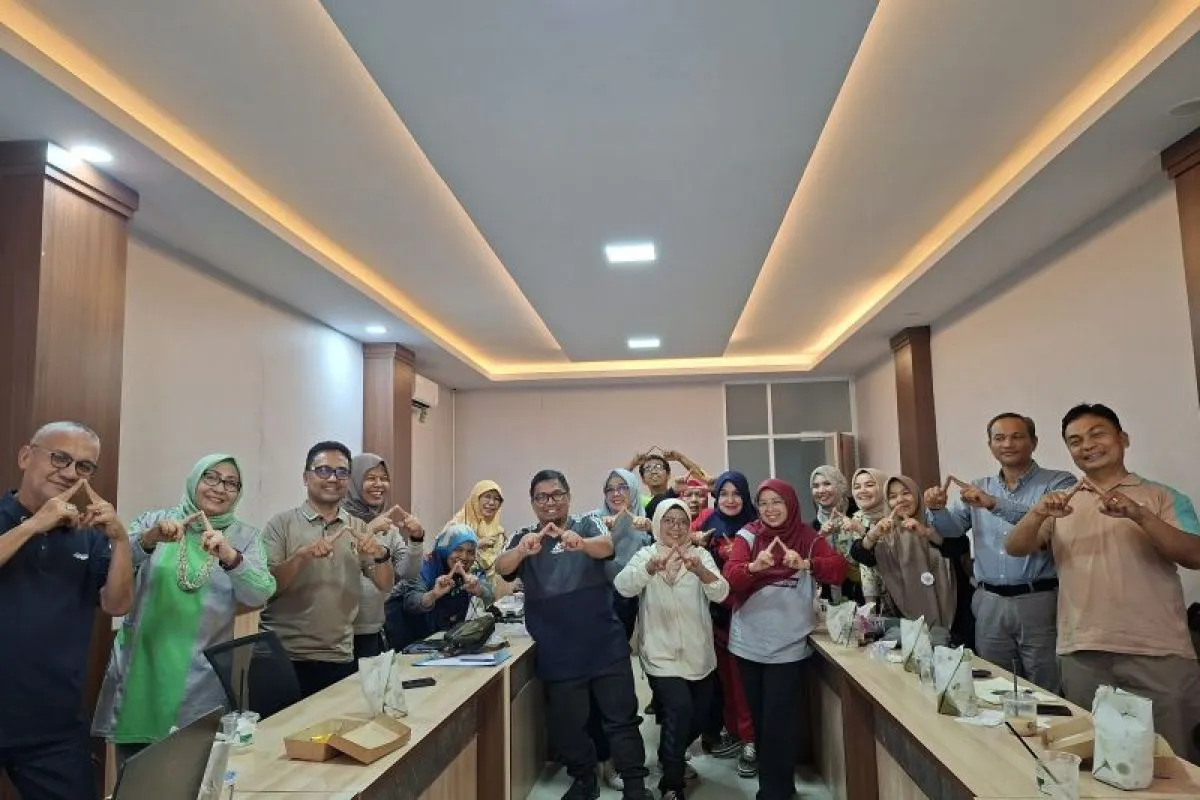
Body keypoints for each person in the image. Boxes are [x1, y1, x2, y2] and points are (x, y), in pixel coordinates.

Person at [1005, 404, 1200, 760]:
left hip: (1159, 651)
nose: (1087, 445)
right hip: (1082, 651)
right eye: (1075, 441)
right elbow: (1015, 547)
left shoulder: (1160, 496)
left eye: (1097, 434)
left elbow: (1194, 555)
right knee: (1097, 761)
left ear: (1123, 438)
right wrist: (1036, 513)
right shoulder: (1063, 502)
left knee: (1173, 764)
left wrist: (1140, 515)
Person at [94, 454, 276, 766]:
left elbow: (260, 593)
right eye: (211, 477)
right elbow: (115, 567)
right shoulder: (154, 521)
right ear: (194, 480)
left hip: (201, 676)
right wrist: (150, 539)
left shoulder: (245, 537)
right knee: (136, 774)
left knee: (191, 774)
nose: (220, 488)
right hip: (143, 668)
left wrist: (230, 557)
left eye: (231, 483)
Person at [495, 470, 650, 800]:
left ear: (568, 497)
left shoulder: (587, 524)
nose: (550, 502)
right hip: (557, 650)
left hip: (604, 644)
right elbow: (502, 567)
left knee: (621, 720)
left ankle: (636, 787)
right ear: (533, 503)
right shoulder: (525, 536)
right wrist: (521, 551)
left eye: (556, 495)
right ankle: (584, 781)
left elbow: (607, 546)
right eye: (541, 497)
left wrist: (579, 543)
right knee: (567, 726)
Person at [0, 421, 133, 800]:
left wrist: (120, 540)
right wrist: (34, 525)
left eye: (83, 466)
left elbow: (117, 603)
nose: (70, 473)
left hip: (53, 723)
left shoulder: (87, 535)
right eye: (59, 458)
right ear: (26, 456)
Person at [923, 413, 1074, 690]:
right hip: (989, 600)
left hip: (1038, 598)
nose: (1008, 444)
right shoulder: (980, 485)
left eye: (1017, 436)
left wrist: (994, 504)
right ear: (990, 445)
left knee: (1046, 687)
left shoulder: (1058, 482)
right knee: (995, 685)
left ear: (1034, 442)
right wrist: (937, 509)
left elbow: (1050, 520)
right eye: (999, 438)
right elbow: (952, 530)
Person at [724, 479, 846, 800]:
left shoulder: (807, 537)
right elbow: (730, 577)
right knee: (761, 721)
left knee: (779, 721)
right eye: (763, 503)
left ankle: (774, 792)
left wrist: (807, 564)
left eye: (776, 501)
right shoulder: (748, 535)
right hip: (748, 643)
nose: (770, 509)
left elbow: (838, 569)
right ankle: (777, 785)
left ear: (790, 504)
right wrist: (754, 567)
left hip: (788, 646)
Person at [614, 499, 729, 800]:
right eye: (668, 520)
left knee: (699, 717)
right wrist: (649, 569)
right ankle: (672, 784)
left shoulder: (700, 555)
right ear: (657, 524)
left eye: (682, 521)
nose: (676, 527)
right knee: (679, 709)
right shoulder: (646, 554)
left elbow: (721, 593)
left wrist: (701, 572)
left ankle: (669, 755)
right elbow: (623, 586)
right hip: (659, 653)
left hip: (699, 654)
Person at [261, 441, 394, 698]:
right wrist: (302, 556)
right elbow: (267, 588)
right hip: (284, 655)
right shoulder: (281, 524)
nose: (333, 478)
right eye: (323, 470)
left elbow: (385, 584)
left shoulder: (357, 527)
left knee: (334, 723)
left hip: (339, 654)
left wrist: (380, 555)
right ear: (306, 477)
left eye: (341, 472)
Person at [690, 471, 758, 773]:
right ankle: (734, 732)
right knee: (725, 681)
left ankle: (751, 740)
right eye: (724, 494)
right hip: (715, 616)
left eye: (736, 494)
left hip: (749, 614)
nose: (730, 500)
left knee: (744, 683)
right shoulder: (705, 526)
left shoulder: (757, 526)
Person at [343, 453, 424, 660]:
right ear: (354, 481)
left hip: (373, 628)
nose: (379, 484)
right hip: (339, 632)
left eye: (384, 478)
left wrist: (416, 538)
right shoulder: (339, 521)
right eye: (371, 478)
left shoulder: (388, 527)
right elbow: (335, 564)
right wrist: (369, 529)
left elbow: (408, 573)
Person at [850, 476, 957, 632]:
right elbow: (860, 554)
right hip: (907, 622)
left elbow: (957, 547)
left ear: (916, 495)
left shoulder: (936, 523)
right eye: (893, 496)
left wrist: (927, 533)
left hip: (952, 617)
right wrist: (873, 534)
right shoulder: (888, 534)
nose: (900, 500)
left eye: (906, 493)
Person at [394, 524, 493, 640]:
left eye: (470, 552)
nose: (464, 557)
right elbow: (411, 603)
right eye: (458, 550)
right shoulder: (426, 566)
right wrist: (433, 595)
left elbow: (490, 596)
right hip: (416, 637)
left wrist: (480, 590)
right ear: (446, 549)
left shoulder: (473, 568)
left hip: (450, 636)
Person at [809, 465, 863, 604]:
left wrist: (857, 528)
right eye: (816, 486)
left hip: (863, 594)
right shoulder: (815, 525)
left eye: (827, 483)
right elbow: (810, 562)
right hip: (831, 599)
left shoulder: (858, 511)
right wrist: (821, 535)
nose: (821, 490)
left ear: (839, 484)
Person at [845, 468, 891, 612]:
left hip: (899, 592)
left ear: (883, 487)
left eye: (869, 485)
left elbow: (887, 556)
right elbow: (863, 559)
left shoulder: (894, 516)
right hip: (870, 597)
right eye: (857, 487)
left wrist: (862, 531)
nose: (862, 491)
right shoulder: (857, 518)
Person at [450, 479, 507, 591]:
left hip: (489, 593)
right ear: (476, 499)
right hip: (458, 589)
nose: (491, 502)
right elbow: (444, 556)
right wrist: (476, 545)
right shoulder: (456, 526)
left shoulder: (499, 533)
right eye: (487, 496)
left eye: (496, 499)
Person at [630, 449, 709, 519]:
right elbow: (621, 484)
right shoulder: (639, 501)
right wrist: (632, 464)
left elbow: (707, 480)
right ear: (643, 479)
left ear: (668, 474)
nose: (654, 472)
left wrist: (680, 458)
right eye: (647, 469)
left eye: (658, 467)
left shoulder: (682, 497)